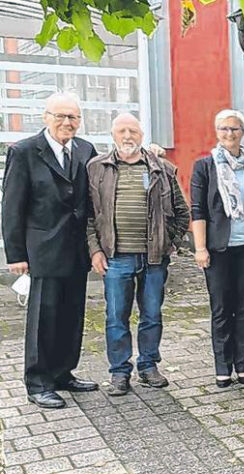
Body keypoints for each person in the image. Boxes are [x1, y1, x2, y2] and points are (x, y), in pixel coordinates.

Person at [1, 93, 98, 408]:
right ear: (46, 116)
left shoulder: (85, 149)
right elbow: (12, 207)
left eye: (73, 117)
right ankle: (38, 381)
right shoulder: (25, 151)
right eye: (61, 116)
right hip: (43, 250)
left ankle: (62, 372)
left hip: (77, 250)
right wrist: (16, 254)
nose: (67, 122)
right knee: (44, 317)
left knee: (72, 315)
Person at [87, 113, 190, 396]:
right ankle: (120, 372)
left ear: (142, 135)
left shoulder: (163, 169)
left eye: (133, 130)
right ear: (113, 135)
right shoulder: (97, 168)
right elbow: (88, 216)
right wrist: (95, 250)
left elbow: (183, 213)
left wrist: (172, 244)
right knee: (116, 318)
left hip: (154, 258)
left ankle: (148, 366)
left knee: (152, 315)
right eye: (122, 131)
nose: (127, 136)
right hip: (115, 257)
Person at [190, 109, 244, 388]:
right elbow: (197, 209)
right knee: (222, 308)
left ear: (242, 133)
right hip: (218, 249)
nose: (229, 134)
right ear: (216, 132)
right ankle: (223, 367)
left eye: (234, 129)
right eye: (223, 129)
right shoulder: (204, 166)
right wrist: (200, 248)